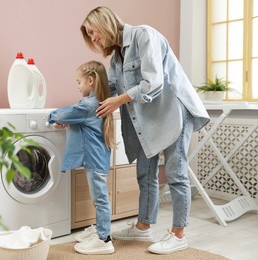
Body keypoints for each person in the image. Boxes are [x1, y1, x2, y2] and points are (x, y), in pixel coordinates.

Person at [80, 6, 210, 255]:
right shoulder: (116, 58)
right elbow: (112, 88)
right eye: (89, 34)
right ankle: (143, 226)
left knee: (176, 172)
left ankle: (178, 234)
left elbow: (153, 82)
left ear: (105, 23)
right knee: (145, 173)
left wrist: (118, 101)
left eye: (93, 31)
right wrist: (82, 97)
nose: (93, 38)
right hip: (151, 117)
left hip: (173, 110)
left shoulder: (143, 35)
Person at [48, 60, 115, 255]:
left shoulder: (88, 104)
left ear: (91, 80)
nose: (77, 86)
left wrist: (52, 116)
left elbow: (65, 114)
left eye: (79, 82)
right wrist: (71, 123)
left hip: (94, 160)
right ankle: (99, 230)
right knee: (99, 198)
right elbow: (80, 121)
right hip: (98, 158)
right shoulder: (98, 102)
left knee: (100, 199)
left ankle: (104, 239)